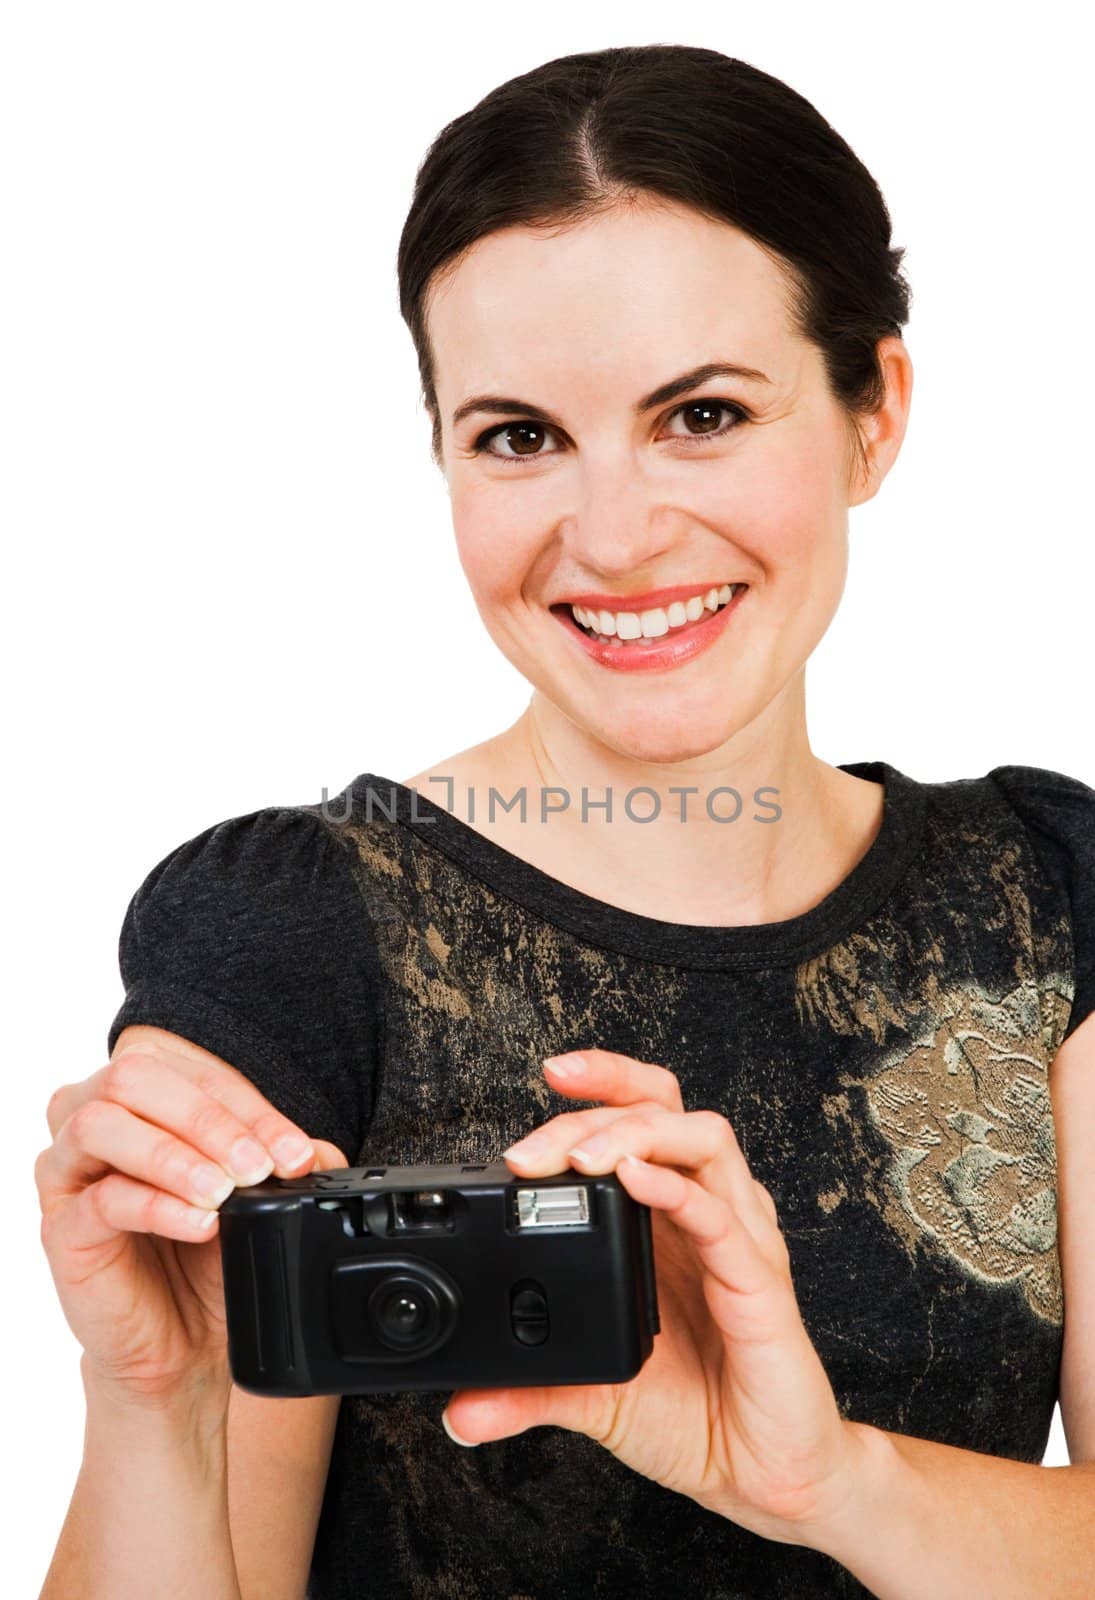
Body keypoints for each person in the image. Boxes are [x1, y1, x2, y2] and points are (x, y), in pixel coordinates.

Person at [35, 42, 1095, 1600]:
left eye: (706, 414)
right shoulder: (292, 930)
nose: (612, 535)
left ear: (876, 413)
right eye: (519, 436)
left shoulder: (1048, 888)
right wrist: (157, 1413)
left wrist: (828, 1483)